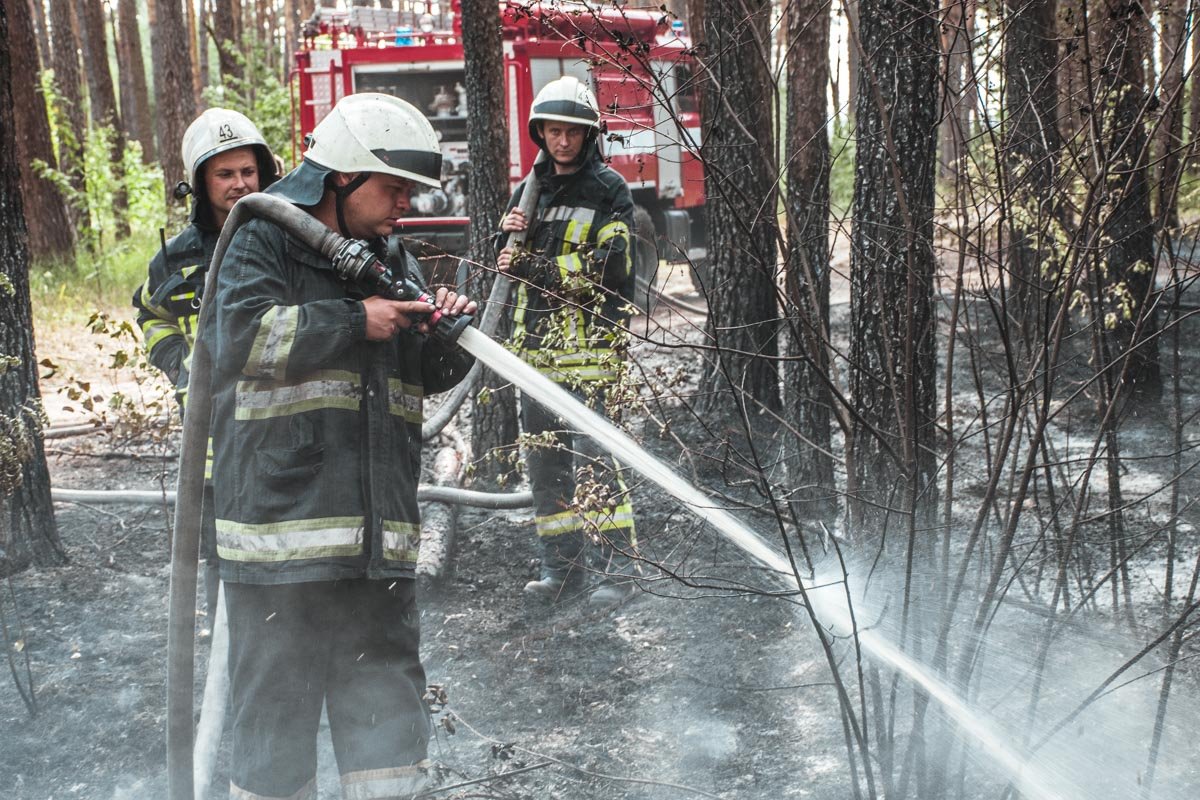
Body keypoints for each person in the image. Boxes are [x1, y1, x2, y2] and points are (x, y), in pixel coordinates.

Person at [203, 93, 476, 799]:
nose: (403, 208)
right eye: (393, 190)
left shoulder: (390, 255)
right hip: (281, 551)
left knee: (387, 733)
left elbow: (418, 377)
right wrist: (356, 319)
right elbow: (237, 342)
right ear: (343, 179)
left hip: (376, 548)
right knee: (274, 743)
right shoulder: (261, 237)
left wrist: (439, 335)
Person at [497, 75, 640, 606]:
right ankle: (562, 570)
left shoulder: (608, 190)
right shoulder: (529, 191)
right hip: (535, 358)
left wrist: (534, 264)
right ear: (541, 133)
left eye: (572, 133)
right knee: (546, 467)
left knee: (598, 462)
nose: (562, 142)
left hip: (592, 358)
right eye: (553, 132)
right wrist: (507, 233)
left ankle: (619, 572)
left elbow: (612, 267)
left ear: (589, 135)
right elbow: (508, 269)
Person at [132, 108, 281, 615]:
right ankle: (227, 659)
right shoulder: (177, 258)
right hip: (212, 446)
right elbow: (150, 310)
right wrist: (179, 364)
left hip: (282, 436)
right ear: (199, 182)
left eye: (248, 172)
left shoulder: (288, 239)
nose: (239, 185)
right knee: (223, 564)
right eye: (224, 174)